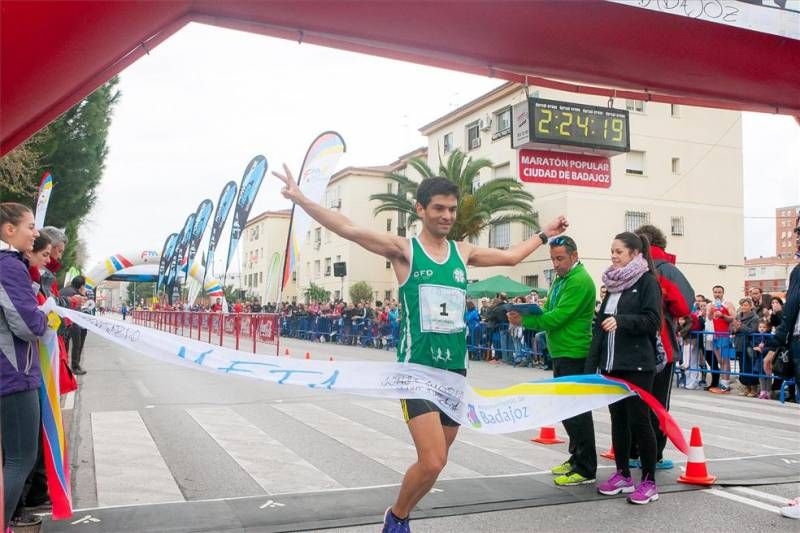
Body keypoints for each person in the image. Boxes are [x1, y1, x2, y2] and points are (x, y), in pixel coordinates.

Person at [273, 166, 567, 533]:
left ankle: (401, 514)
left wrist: (544, 234)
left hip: (455, 373)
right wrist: (302, 200)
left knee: (438, 463)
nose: (447, 216)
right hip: (417, 372)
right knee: (431, 460)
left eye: (452, 209)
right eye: (439, 208)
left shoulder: (464, 252)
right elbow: (347, 228)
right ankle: (395, 518)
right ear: (421, 209)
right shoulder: (404, 251)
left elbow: (510, 258)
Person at [507, 235, 597, 487]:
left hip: (574, 351)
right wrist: (529, 313)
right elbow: (548, 310)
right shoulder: (561, 279)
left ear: (574, 256)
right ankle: (575, 457)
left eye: (560, 259)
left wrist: (524, 321)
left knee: (577, 411)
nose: (556, 264)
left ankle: (586, 467)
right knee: (566, 410)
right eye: (553, 259)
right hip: (560, 350)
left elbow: (558, 317)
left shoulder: (579, 280)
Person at [586, 232, 662, 505]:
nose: (613, 256)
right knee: (618, 420)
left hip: (638, 365)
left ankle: (650, 481)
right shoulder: (613, 285)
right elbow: (600, 328)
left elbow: (652, 321)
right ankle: (623, 475)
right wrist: (591, 366)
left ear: (634, 253)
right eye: (612, 251)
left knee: (640, 421)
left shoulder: (647, 282)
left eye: (618, 251)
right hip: (612, 366)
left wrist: (622, 321)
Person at [1, 203, 49, 529]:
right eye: (30, 226)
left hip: (10, 371)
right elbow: (28, 324)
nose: (35, 233)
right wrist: (48, 314)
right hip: (14, 374)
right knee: (20, 459)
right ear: (9, 229)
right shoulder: (8, 265)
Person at [631, 224, 693, 470]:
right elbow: (684, 306)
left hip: (631, 346)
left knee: (634, 399)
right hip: (660, 345)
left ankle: (631, 451)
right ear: (662, 244)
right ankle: (653, 454)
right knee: (658, 403)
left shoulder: (628, 266)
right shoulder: (665, 269)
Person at [707, 285, 736, 393]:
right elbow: (709, 318)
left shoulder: (728, 304)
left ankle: (725, 384)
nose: (717, 294)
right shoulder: (710, 305)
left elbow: (733, 318)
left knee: (725, 360)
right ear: (713, 293)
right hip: (714, 335)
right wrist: (710, 311)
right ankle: (723, 382)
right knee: (719, 360)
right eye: (715, 292)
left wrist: (723, 315)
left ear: (723, 293)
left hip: (724, 335)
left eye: (719, 292)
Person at [60, 275, 89, 375]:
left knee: (64, 344)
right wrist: (83, 295)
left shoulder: (63, 290)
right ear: (81, 286)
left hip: (61, 322)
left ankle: (64, 366)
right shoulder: (76, 294)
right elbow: (78, 310)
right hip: (73, 322)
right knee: (77, 344)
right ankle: (75, 367)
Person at [731, 297, 759, 397]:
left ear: (751, 306)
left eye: (746, 305)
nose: (744, 307)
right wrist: (735, 328)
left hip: (749, 345)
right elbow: (732, 329)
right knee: (742, 367)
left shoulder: (755, 318)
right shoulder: (738, 316)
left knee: (749, 366)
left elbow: (753, 331)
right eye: (742, 305)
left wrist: (740, 327)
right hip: (739, 344)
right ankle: (746, 387)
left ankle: (754, 388)